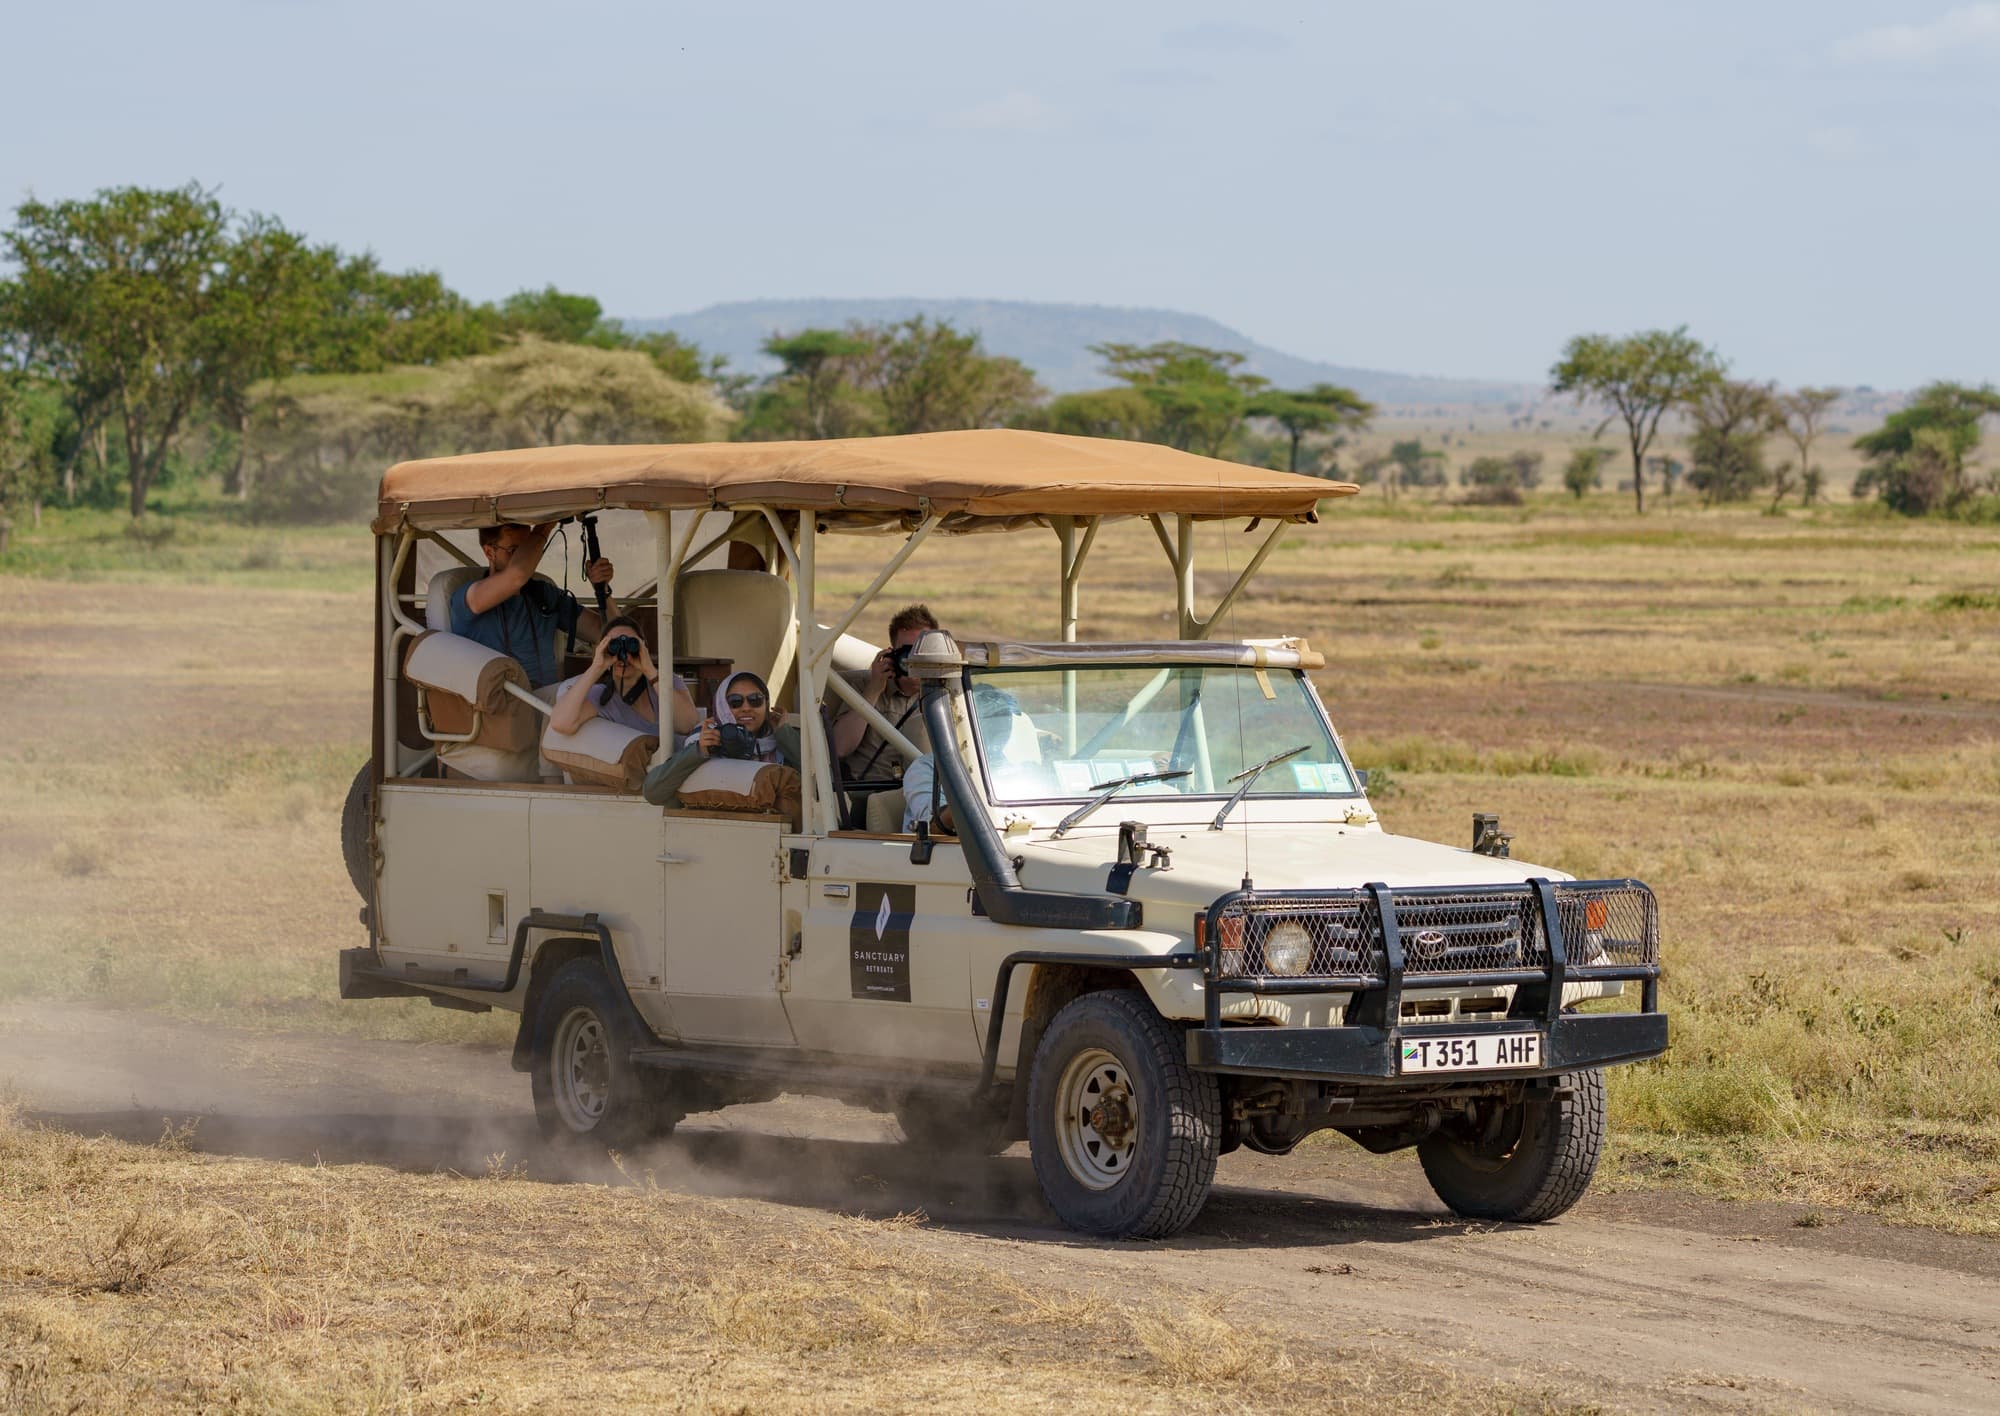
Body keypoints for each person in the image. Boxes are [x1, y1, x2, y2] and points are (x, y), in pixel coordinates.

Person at [450, 521, 614, 689]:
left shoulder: (543, 594)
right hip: (499, 706)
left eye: (527, 549)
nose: (524, 557)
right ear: (489, 552)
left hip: (549, 705)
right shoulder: (469, 596)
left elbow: (607, 632)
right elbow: (517, 575)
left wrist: (603, 589)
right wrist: (546, 525)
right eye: (514, 550)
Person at [902, 684, 1049, 834]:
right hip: (950, 852)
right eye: (994, 718)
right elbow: (934, 828)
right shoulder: (925, 769)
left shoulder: (1007, 767)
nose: (1004, 725)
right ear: (967, 723)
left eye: (1006, 717)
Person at [642, 670, 802, 807]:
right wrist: (698, 752)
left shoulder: (779, 742)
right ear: (722, 706)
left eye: (755, 700)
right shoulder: (705, 741)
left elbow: (819, 787)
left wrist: (784, 733)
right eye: (735, 702)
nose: (746, 708)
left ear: (766, 704)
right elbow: (653, 792)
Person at [830, 604, 938, 783]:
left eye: (923, 650)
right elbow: (839, 748)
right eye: (907, 652)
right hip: (871, 791)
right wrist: (873, 690)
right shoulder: (866, 687)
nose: (915, 660)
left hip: (922, 793)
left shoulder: (946, 694)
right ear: (892, 654)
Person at [547, 614, 700, 740]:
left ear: (643, 647)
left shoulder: (665, 682)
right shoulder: (601, 696)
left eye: (632, 645)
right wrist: (597, 667)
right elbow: (561, 723)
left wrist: (649, 670)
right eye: (613, 645)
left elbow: (688, 724)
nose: (624, 655)